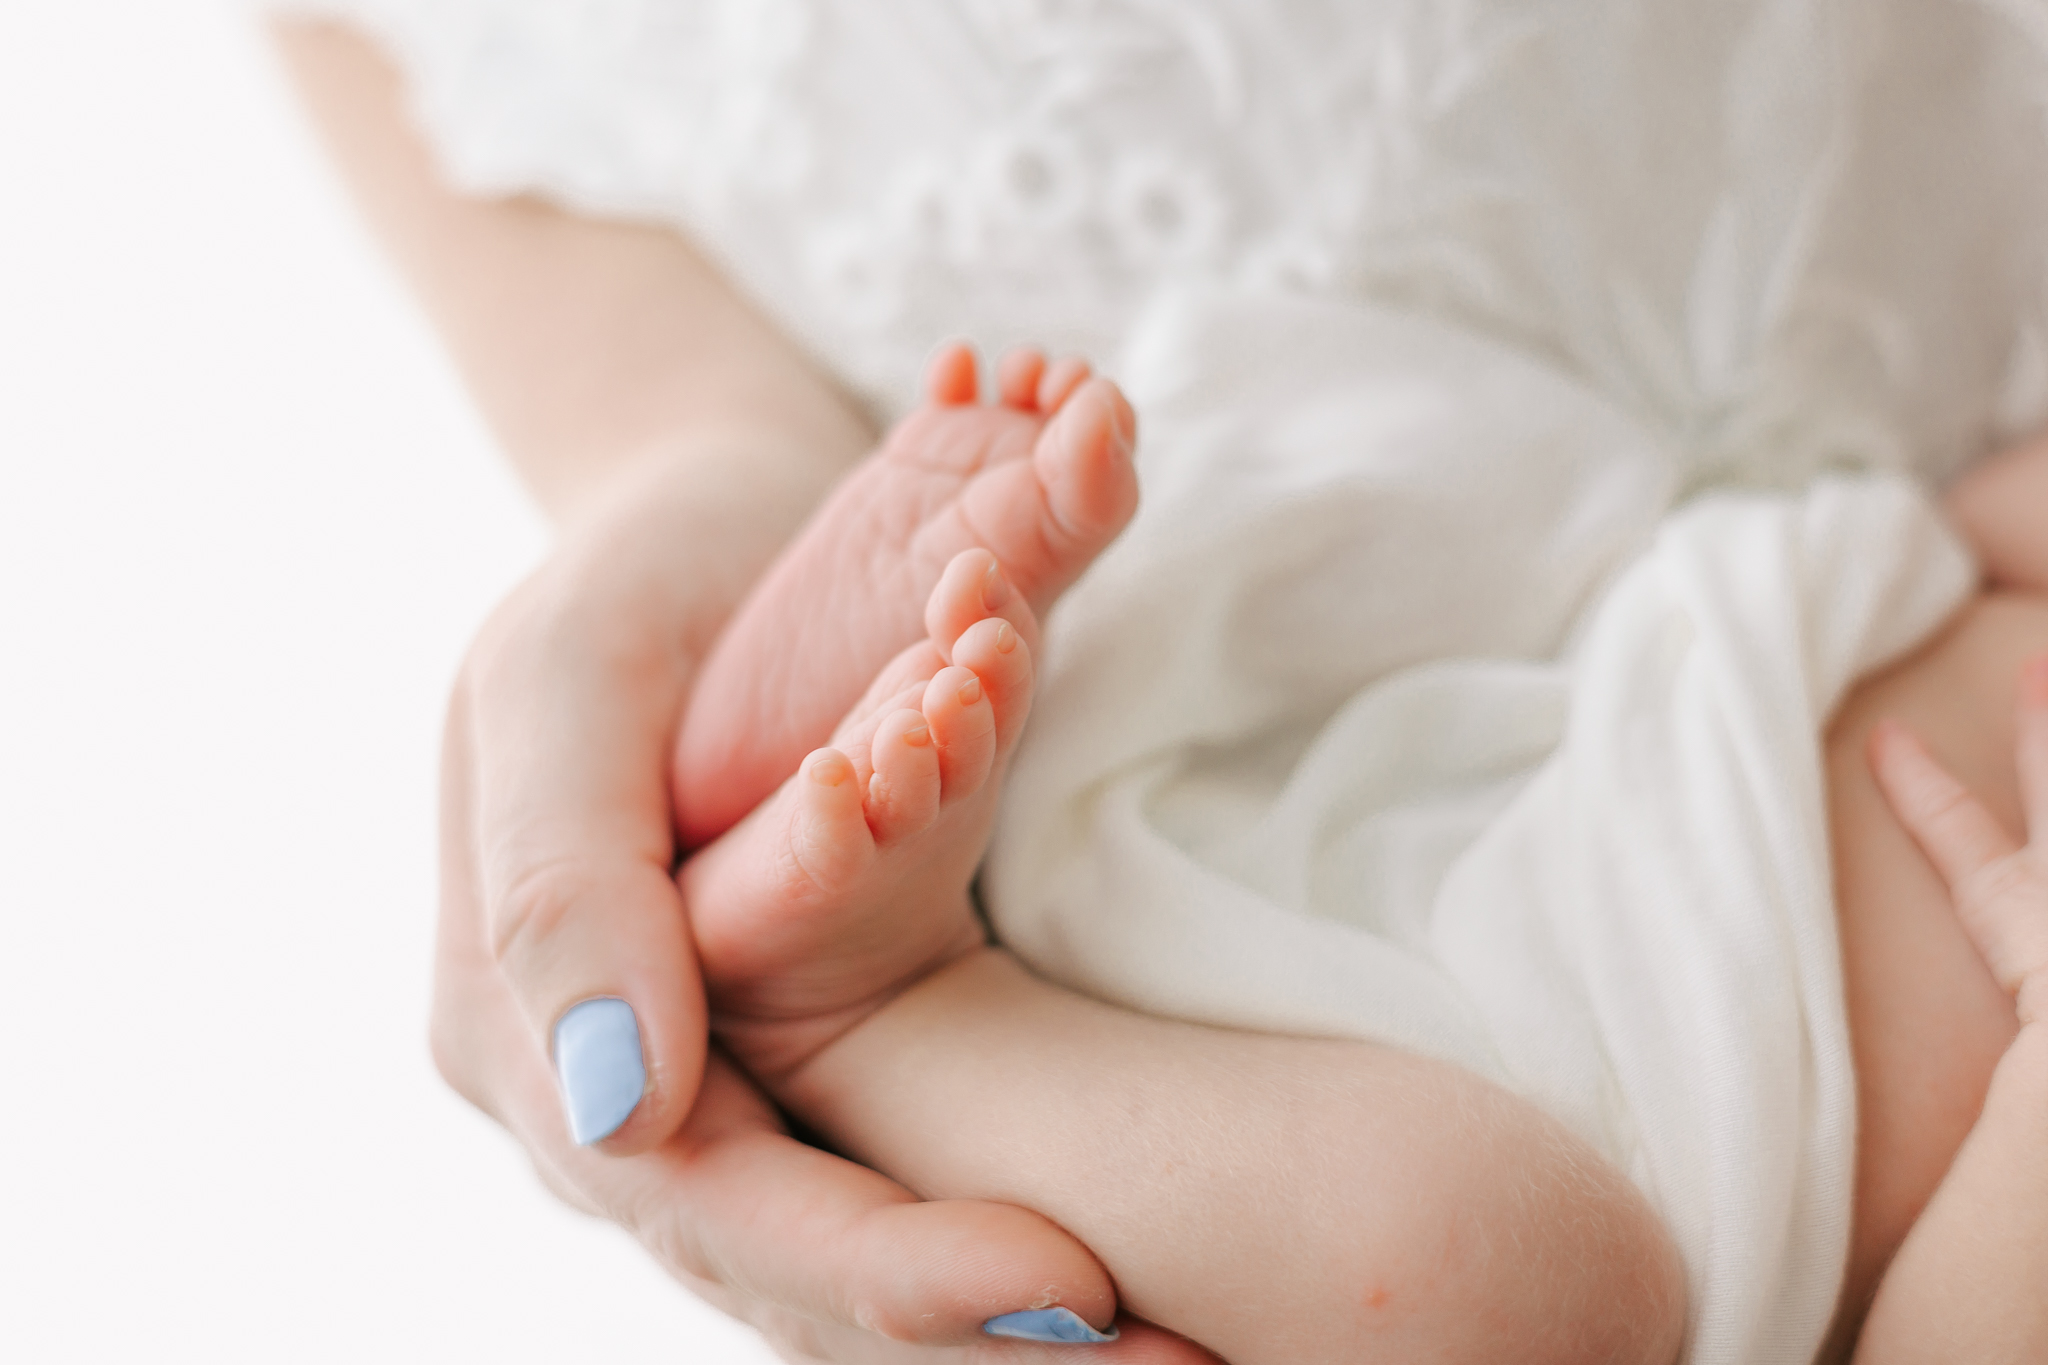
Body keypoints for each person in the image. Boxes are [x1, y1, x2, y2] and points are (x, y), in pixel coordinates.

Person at [269, 4, 2048, 1360]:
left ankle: (875, 1007)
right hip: (1678, 639)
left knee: (1511, 1288)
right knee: (1424, 475)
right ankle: (919, 695)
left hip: (1568, 1090)